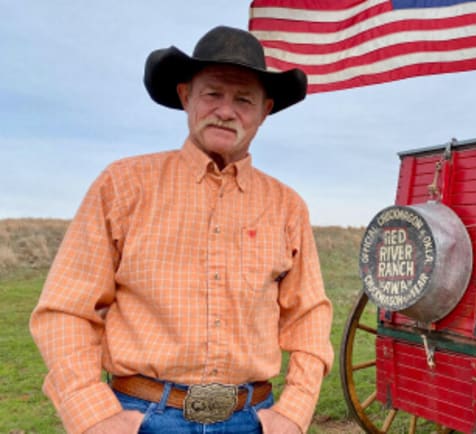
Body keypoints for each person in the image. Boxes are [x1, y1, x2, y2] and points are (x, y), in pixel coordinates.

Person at [30, 25, 333, 434]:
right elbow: (66, 310)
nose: (226, 110)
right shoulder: (123, 185)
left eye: (244, 99)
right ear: (186, 96)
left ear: (264, 111)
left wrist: (294, 411)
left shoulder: (287, 207)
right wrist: (93, 412)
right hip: (141, 417)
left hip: (252, 420)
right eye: (212, 94)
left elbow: (309, 318)